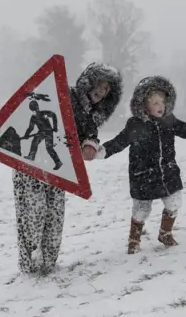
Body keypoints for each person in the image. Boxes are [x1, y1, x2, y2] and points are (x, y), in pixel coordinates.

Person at [94, 76, 186, 254]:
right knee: (141, 211)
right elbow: (118, 142)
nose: (160, 106)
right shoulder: (135, 125)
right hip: (143, 176)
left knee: (174, 202)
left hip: (167, 174)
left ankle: (165, 233)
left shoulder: (169, 121)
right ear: (144, 104)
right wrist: (101, 152)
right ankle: (134, 239)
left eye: (162, 102)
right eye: (155, 102)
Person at [12, 62, 123, 275]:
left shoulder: (92, 114)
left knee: (54, 220)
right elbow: (33, 107)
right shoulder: (62, 93)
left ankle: (48, 265)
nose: (102, 90)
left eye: (107, 88)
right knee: (33, 218)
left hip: (58, 170)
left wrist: (89, 145)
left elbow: (90, 135)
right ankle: (29, 268)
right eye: (99, 84)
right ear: (88, 81)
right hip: (31, 167)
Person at [22, 100, 62, 170]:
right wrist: (26, 135)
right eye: (34, 110)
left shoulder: (44, 113)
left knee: (49, 148)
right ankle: (31, 156)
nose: (36, 111)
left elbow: (53, 115)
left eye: (36, 109)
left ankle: (58, 162)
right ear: (32, 111)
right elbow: (31, 128)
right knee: (35, 141)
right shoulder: (33, 118)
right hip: (41, 133)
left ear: (38, 108)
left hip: (49, 132)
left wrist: (55, 126)